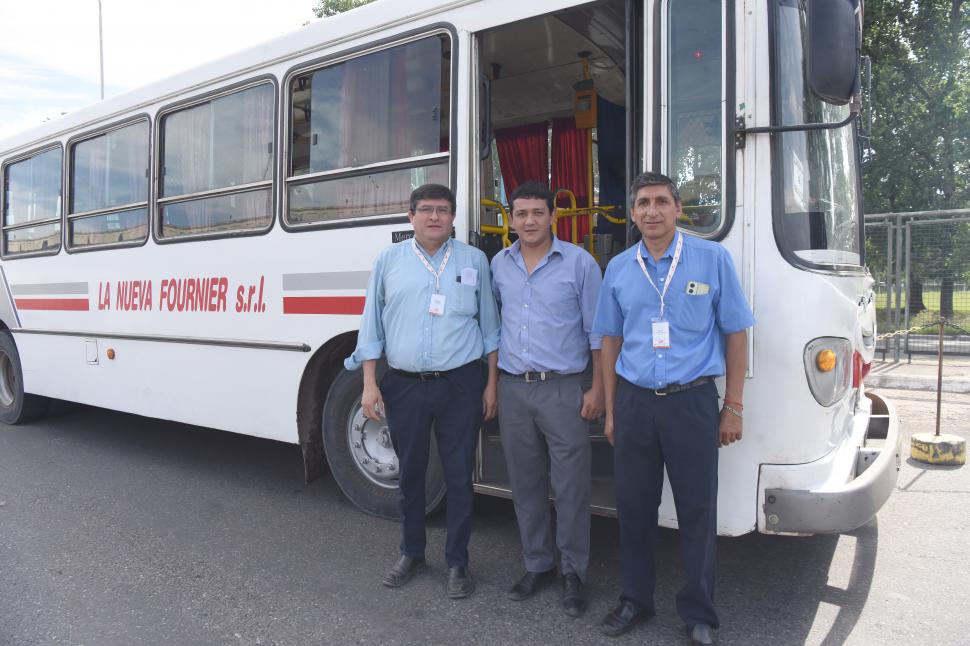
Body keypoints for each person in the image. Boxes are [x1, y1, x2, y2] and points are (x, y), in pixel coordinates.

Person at [592, 172, 754, 645]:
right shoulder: (620, 268)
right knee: (634, 507)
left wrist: (734, 406)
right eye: (642, 203)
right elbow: (609, 340)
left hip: (693, 403)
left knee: (698, 510)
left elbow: (737, 333)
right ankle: (635, 600)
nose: (651, 212)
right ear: (633, 212)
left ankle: (699, 612)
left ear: (678, 209)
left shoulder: (711, 258)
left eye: (661, 201)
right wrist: (611, 409)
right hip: (636, 403)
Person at [344, 183, 500, 599]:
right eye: (426, 210)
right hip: (405, 386)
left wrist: (490, 385)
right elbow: (371, 326)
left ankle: (458, 562)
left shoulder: (474, 260)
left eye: (443, 210)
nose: (435, 217)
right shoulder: (389, 261)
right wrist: (369, 384)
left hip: (460, 384)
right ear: (410, 216)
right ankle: (411, 553)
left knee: (458, 476)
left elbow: (490, 329)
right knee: (411, 474)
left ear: (452, 218)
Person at [489, 181, 604, 617]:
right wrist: (493, 385)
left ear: (553, 216)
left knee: (571, 485)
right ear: (510, 218)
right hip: (514, 386)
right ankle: (538, 564)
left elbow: (599, 332)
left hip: (563, 387)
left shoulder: (580, 263)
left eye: (538, 212)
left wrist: (597, 388)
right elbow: (494, 327)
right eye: (521, 214)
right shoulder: (499, 264)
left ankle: (574, 572)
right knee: (525, 482)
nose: (530, 221)